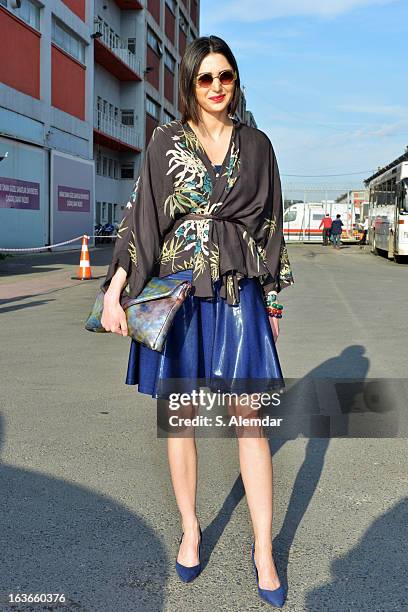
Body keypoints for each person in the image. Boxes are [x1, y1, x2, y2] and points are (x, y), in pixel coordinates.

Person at [100, 35, 294, 608]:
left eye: (225, 77)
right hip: (179, 293)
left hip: (239, 293)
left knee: (250, 424)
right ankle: (191, 527)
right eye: (206, 78)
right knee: (180, 416)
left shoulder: (258, 146)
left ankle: (263, 548)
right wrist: (115, 292)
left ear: (236, 82)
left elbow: (272, 225)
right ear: (189, 84)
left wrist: (274, 304)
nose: (216, 87)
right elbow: (141, 221)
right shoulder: (165, 142)